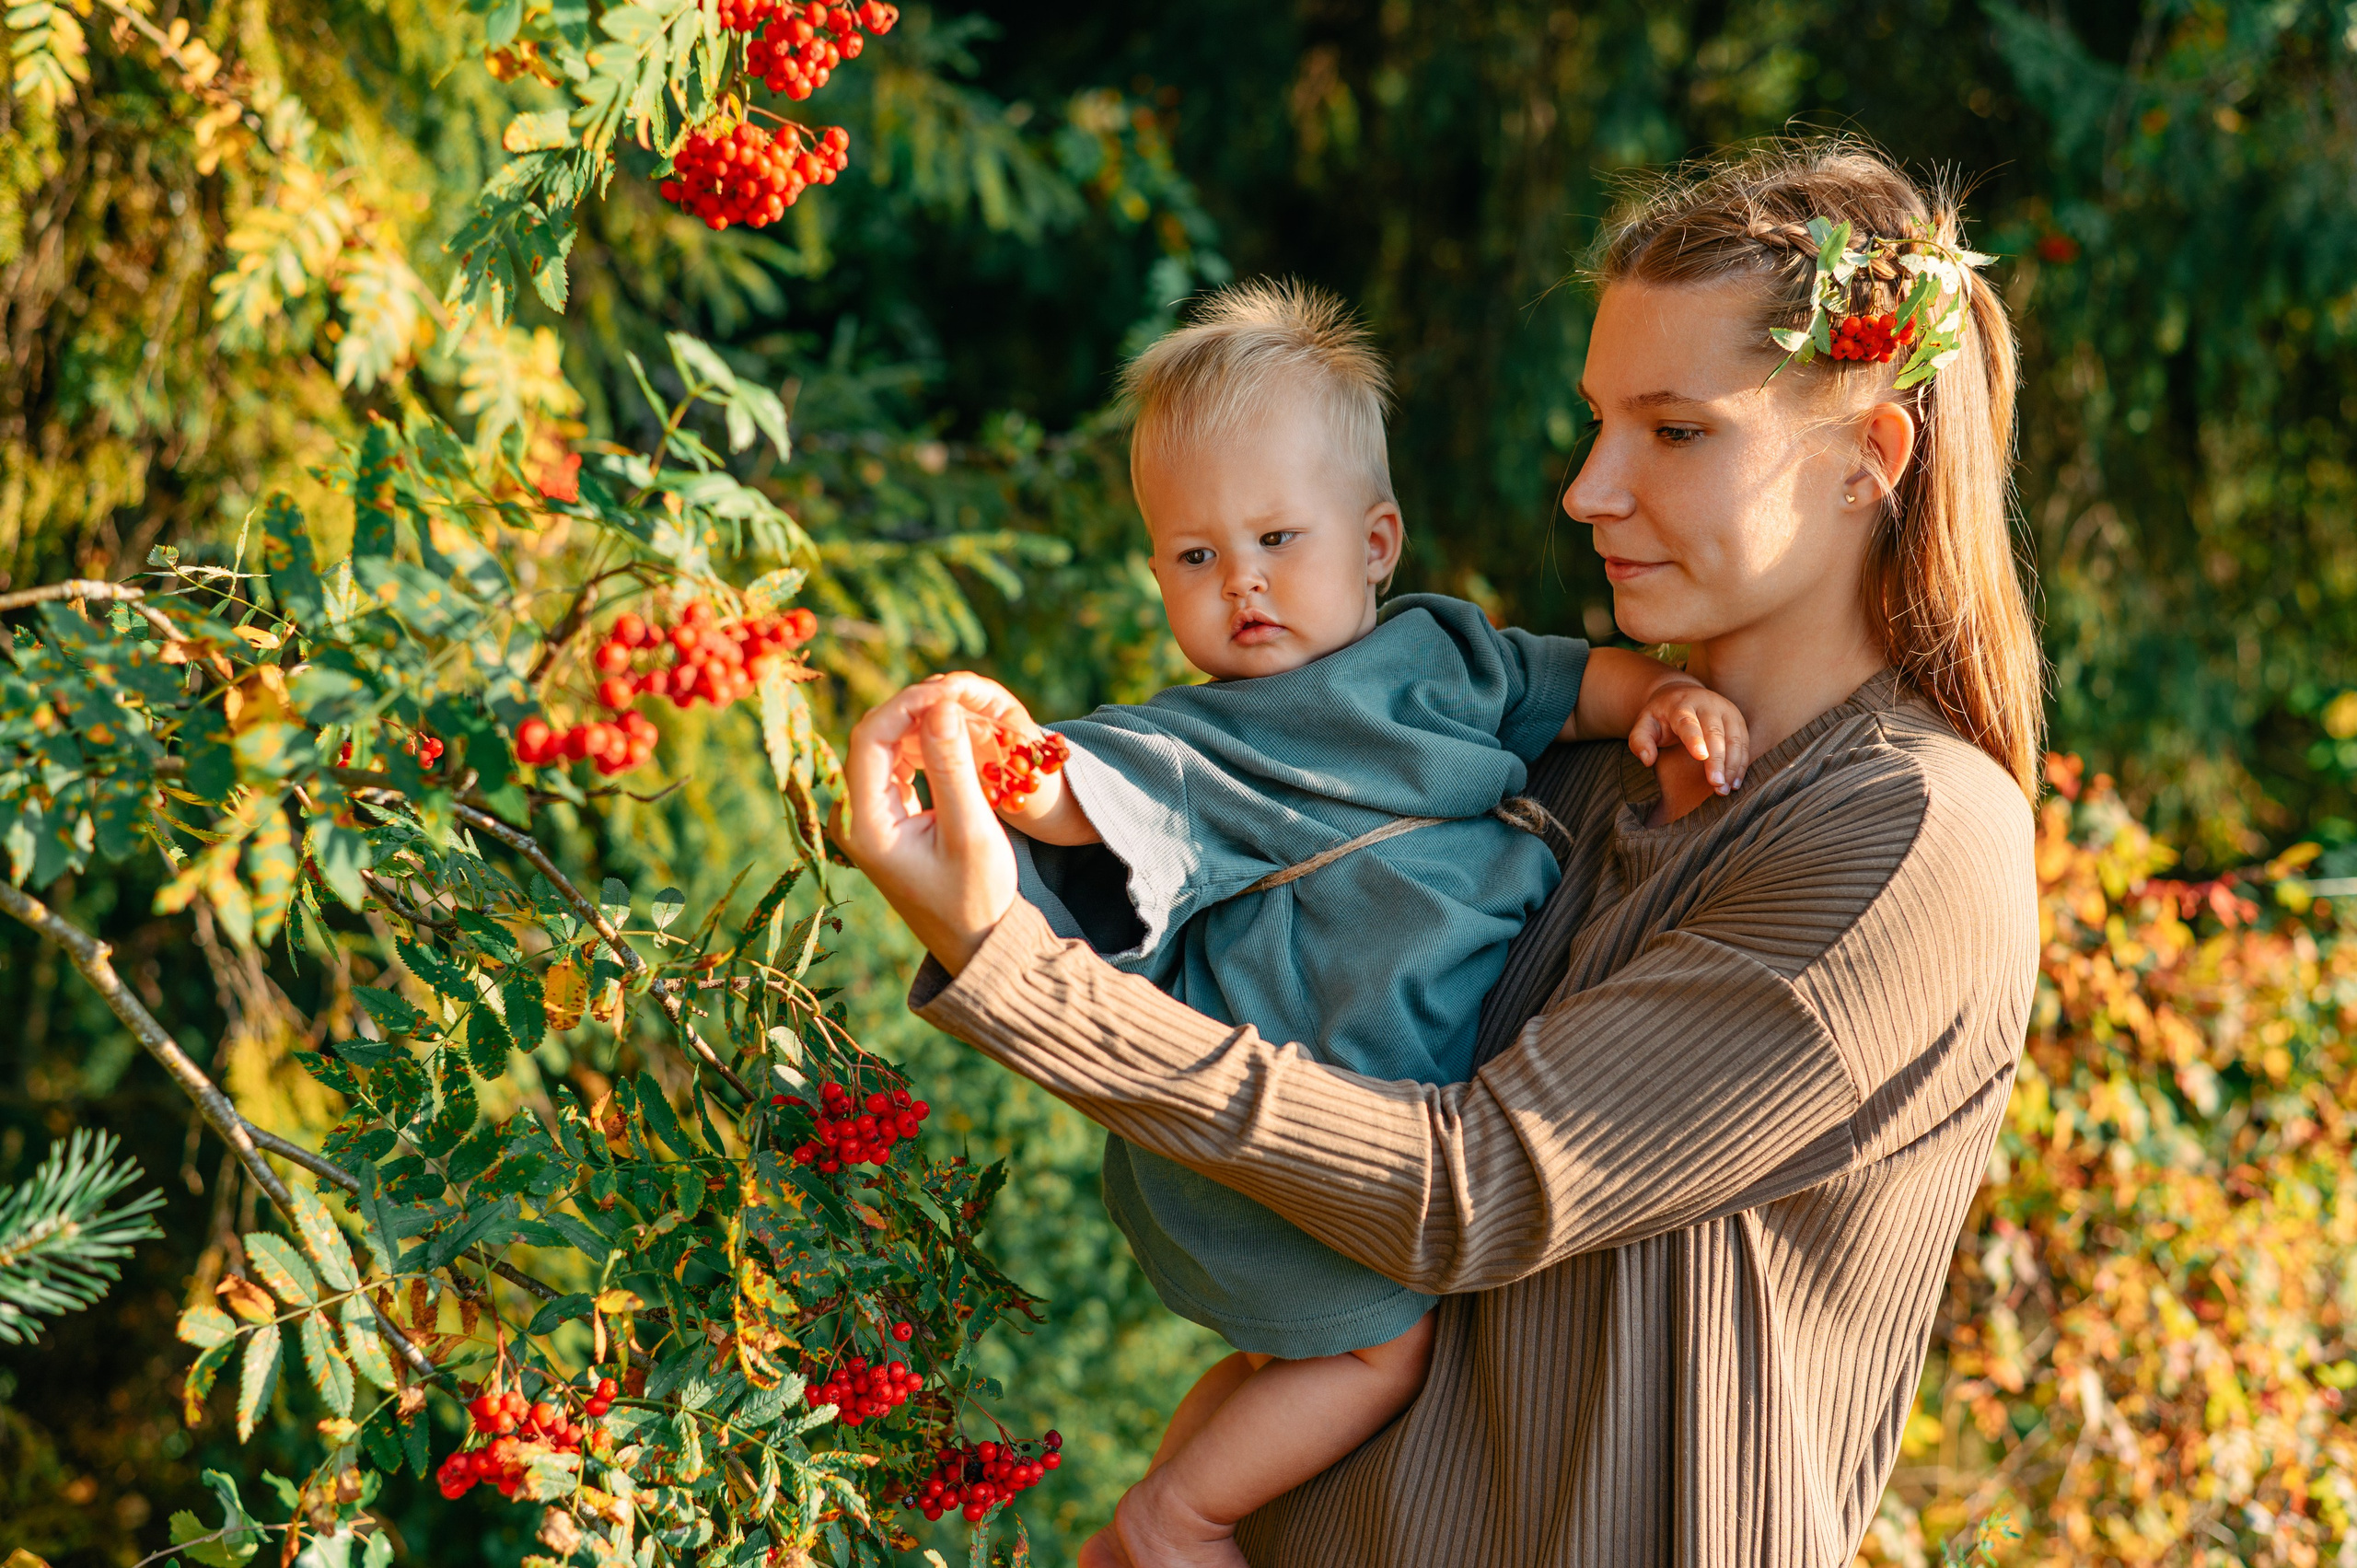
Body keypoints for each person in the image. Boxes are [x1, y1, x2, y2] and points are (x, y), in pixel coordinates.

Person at [844, 135, 2043, 1566]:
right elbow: (1244, 864)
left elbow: (1472, 1192)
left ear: (1869, 460)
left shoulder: (1910, 839)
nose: (1587, 489)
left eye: (1674, 431)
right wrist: (1025, 810)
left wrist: (1015, 971)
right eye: (1597, 422)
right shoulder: (1562, 764)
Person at [882, 279, 1749, 1567]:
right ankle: (1179, 1520)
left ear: (1377, 540)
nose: (1241, 581)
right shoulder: (1204, 738)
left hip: (1375, 1107)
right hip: (1295, 1117)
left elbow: (1567, 686)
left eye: (1278, 538)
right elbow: (1091, 791)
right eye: (1195, 557)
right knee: (1379, 1350)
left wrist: (1663, 701)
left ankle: (1143, 1521)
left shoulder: (1445, 659)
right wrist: (1003, 758)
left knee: (1285, 1360)